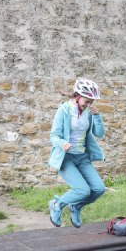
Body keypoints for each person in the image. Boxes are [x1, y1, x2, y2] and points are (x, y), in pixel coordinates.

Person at [47, 78, 106, 228]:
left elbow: (99, 134)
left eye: (91, 102)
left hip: (82, 157)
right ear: (78, 96)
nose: (89, 104)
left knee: (99, 189)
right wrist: (62, 143)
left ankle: (76, 206)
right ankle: (56, 205)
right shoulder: (64, 110)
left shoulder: (89, 112)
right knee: (82, 190)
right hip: (66, 158)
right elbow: (54, 136)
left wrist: (97, 117)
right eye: (87, 101)